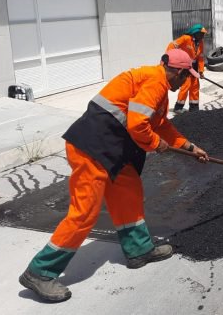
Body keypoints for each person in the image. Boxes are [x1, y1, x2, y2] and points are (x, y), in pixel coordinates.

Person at [19, 49, 209, 302]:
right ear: (179, 72)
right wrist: (156, 144)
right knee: (84, 213)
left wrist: (189, 147)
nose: (186, 82)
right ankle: (40, 272)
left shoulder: (157, 84)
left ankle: (139, 250)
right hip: (92, 148)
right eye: (186, 77)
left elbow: (160, 123)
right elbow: (138, 124)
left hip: (114, 150)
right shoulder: (154, 81)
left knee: (128, 194)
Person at [168, 24, 206, 112]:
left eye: (203, 34)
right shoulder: (186, 38)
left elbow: (200, 57)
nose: (203, 36)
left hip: (194, 67)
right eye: (201, 34)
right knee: (186, 85)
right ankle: (178, 107)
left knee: (195, 86)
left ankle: (194, 107)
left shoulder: (200, 43)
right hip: (185, 66)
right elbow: (172, 45)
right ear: (195, 33)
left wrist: (201, 71)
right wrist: (170, 57)